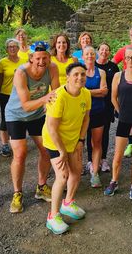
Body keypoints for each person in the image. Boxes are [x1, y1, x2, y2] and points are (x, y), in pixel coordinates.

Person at [5, 41, 59, 213]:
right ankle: (17, 193)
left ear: (49, 57)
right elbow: (26, 105)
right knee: (20, 154)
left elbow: (56, 93)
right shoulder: (21, 73)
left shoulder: (52, 68)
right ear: (31, 58)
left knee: (46, 150)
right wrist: (45, 99)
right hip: (16, 115)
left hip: (38, 115)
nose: (41, 61)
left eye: (45, 58)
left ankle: (41, 187)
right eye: (38, 58)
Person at [42, 63, 91, 235]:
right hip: (54, 141)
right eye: (76, 74)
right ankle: (52, 216)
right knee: (62, 176)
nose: (80, 78)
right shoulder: (59, 97)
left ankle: (68, 203)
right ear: (68, 77)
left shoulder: (86, 93)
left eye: (83, 74)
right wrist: (62, 151)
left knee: (76, 172)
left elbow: (86, 119)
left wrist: (81, 140)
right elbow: (52, 128)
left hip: (73, 140)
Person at [104, 47, 132, 200]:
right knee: (118, 154)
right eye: (128, 58)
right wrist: (121, 112)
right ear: (124, 60)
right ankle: (114, 181)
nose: (130, 61)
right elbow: (113, 98)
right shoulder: (118, 76)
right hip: (124, 120)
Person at [82, 46, 108, 188]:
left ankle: (95, 172)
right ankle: (76, 170)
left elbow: (104, 92)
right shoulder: (79, 71)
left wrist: (87, 92)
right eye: (87, 54)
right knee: (78, 143)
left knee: (96, 143)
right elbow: (77, 91)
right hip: (81, 112)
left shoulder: (101, 72)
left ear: (95, 55)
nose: (90, 56)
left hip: (98, 111)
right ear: (83, 56)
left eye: (92, 53)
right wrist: (95, 91)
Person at [93, 42, 119, 173]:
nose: (104, 52)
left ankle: (103, 159)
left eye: (107, 50)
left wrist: (116, 105)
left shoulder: (113, 67)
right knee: (89, 133)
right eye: (102, 49)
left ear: (109, 53)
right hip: (92, 104)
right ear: (98, 51)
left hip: (108, 104)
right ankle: (91, 161)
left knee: (105, 132)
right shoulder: (92, 64)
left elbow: (117, 87)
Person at [0, 38, 22, 158]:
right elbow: (0, 80)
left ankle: (17, 142)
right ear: (7, 49)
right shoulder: (2, 62)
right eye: (10, 47)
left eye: (14, 46)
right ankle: (5, 144)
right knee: (5, 119)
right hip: (5, 94)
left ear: (18, 48)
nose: (12, 48)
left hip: (20, 94)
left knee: (19, 118)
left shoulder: (24, 61)